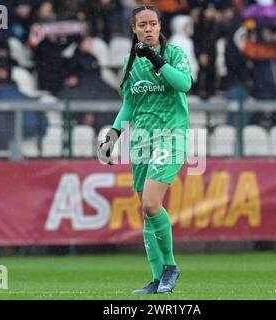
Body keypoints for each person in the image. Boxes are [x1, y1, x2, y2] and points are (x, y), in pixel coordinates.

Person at [97, 5, 192, 294]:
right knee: (147, 211)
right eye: (142, 25)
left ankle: (171, 267)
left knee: (152, 203)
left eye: (153, 24)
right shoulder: (129, 61)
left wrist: (155, 59)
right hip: (141, 141)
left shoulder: (174, 54)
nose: (148, 29)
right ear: (134, 29)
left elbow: (185, 84)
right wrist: (113, 135)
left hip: (170, 136)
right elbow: (129, 104)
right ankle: (156, 278)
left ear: (160, 26)